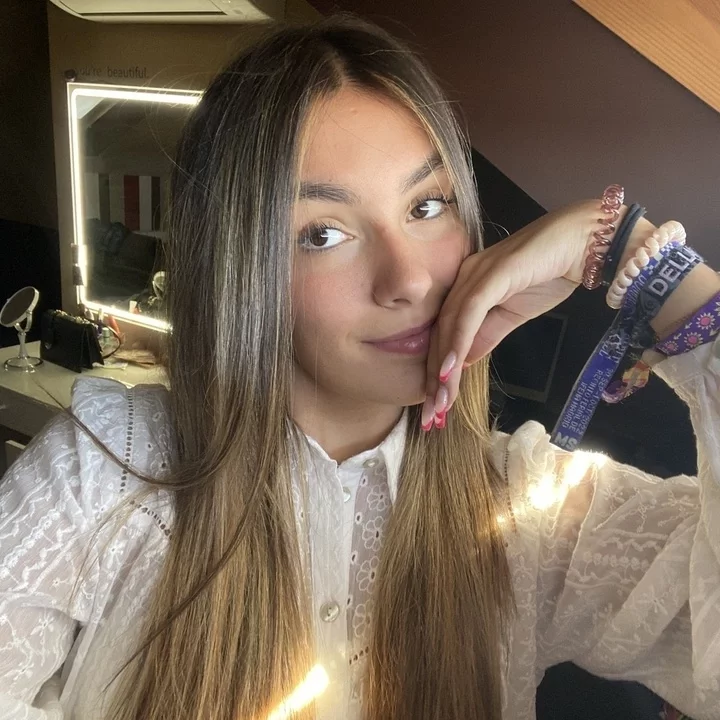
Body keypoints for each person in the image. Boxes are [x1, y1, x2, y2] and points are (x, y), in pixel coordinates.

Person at [1, 14, 719, 720]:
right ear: (239, 269)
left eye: (427, 206)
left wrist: (637, 256)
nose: (409, 278)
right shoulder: (101, 476)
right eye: (322, 233)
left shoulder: (525, 510)